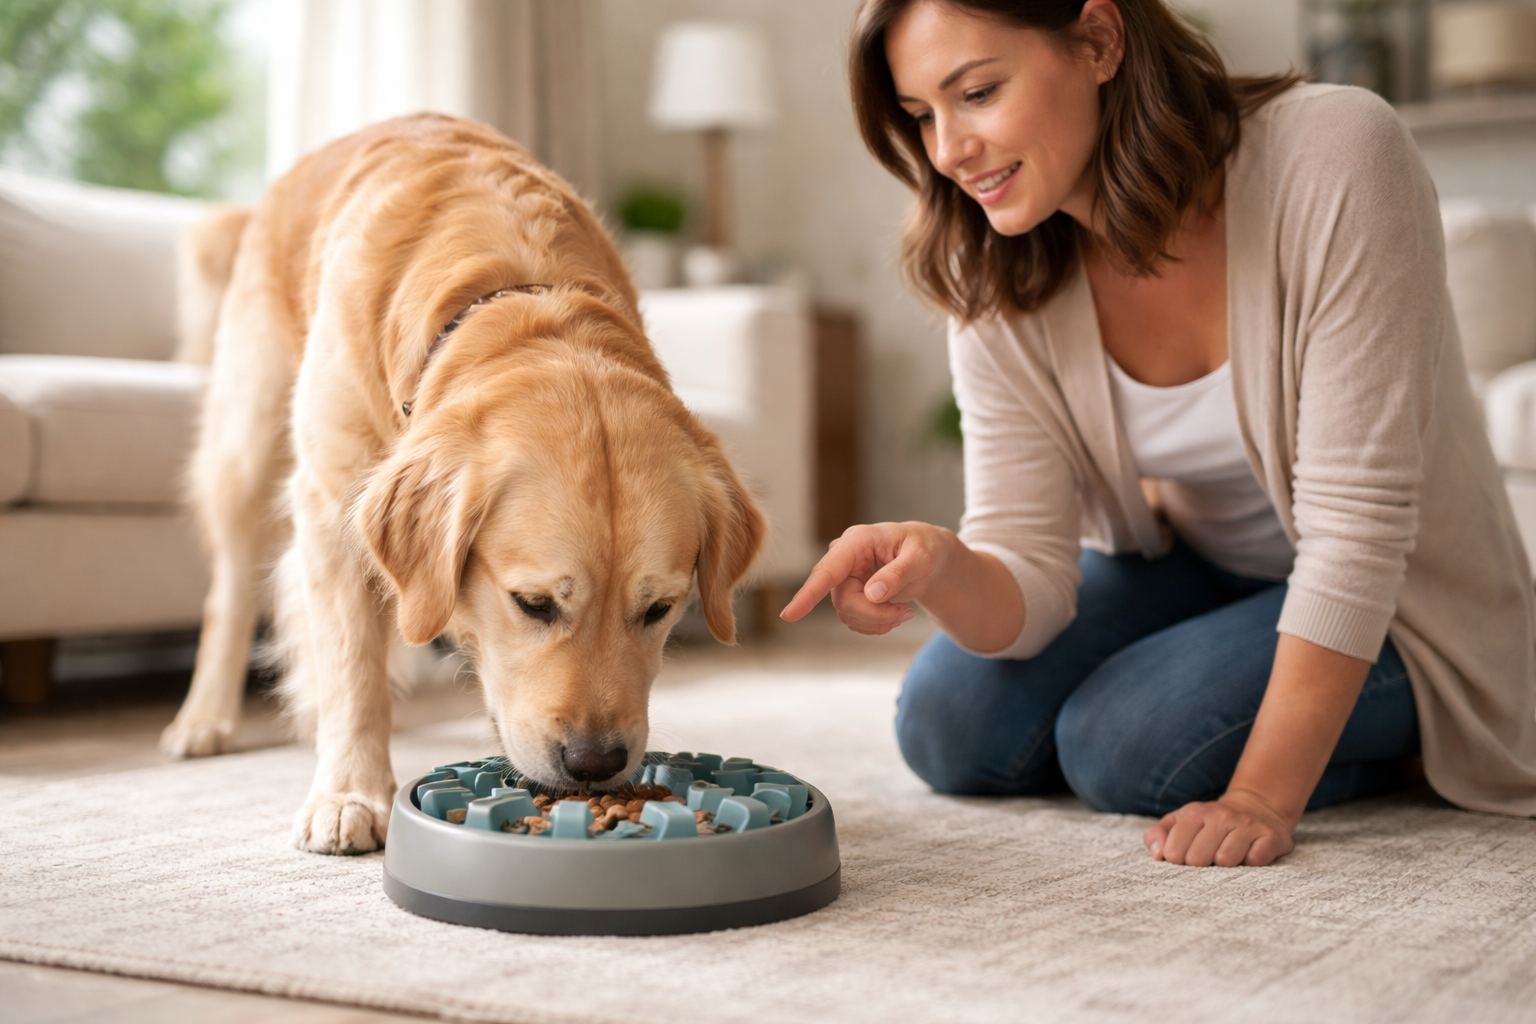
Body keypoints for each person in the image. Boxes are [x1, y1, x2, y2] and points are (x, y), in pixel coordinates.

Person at [781, 0, 1536, 868]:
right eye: (921, 117)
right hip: (1199, 569)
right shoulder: (995, 268)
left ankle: (1410, 745)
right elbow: (1026, 560)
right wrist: (943, 562)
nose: (948, 151)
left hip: (1403, 603)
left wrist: (1258, 797)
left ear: (1099, 40)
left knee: (1126, 746)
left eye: (978, 92)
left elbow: (1358, 534)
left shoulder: (1336, 153)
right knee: (950, 724)